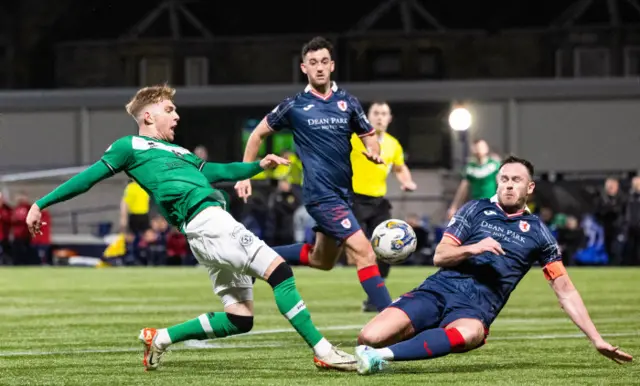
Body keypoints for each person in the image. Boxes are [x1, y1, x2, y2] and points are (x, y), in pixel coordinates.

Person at [25, 84, 356, 372]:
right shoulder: (131, 146)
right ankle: (324, 351)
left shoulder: (179, 152)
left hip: (206, 229)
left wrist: (258, 165)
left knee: (240, 318)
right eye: (169, 109)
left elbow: (217, 170)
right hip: (209, 222)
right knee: (280, 273)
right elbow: (87, 179)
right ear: (148, 117)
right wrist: (41, 203)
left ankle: (162, 338)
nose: (177, 115)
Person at [354, 155, 633, 374]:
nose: (509, 184)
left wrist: (597, 339)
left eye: (517, 180)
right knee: (368, 336)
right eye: (504, 179)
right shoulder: (475, 210)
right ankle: (381, 347)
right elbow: (440, 255)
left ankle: (380, 358)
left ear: (530, 187)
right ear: (498, 182)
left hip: (475, 309)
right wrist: (473, 247)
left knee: (469, 333)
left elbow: (566, 290)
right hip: (438, 291)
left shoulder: (539, 234)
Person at [235, 36, 393, 312]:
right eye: (312, 63)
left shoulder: (348, 103)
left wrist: (373, 150)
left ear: (332, 66)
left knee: (323, 260)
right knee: (365, 252)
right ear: (303, 68)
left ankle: (253, 258)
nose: (318, 67)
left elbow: (369, 135)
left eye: (323, 62)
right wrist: (245, 174)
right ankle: (394, 319)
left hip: (343, 195)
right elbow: (258, 134)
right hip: (320, 195)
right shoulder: (294, 105)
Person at [349, 101, 417, 312]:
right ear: (368, 117)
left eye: (384, 114)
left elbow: (400, 167)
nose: (379, 117)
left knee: (388, 248)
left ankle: (374, 299)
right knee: (362, 251)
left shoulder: (393, 144)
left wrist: (407, 181)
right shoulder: (353, 138)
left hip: (378, 202)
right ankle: (376, 296)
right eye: (376, 113)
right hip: (354, 200)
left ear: (390, 118)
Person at [447, 139, 500, 219]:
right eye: (477, 147)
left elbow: (500, 184)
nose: (479, 149)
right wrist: (454, 206)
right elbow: (463, 189)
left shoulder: (494, 165)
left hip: (492, 205)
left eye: (481, 147)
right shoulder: (470, 168)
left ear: (486, 148)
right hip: (476, 205)